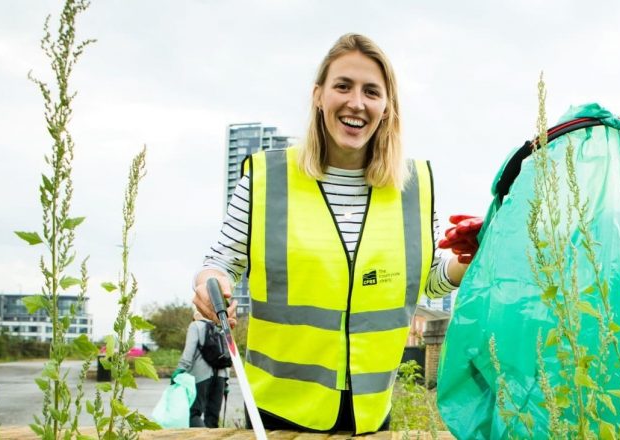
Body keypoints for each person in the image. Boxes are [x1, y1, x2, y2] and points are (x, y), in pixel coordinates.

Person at [190, 33, 478, 434]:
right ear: (318, 95)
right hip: (278, 417)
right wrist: (211, 284)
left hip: (371, 417)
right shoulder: (267, 179)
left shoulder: (415, 187)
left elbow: (428, 277)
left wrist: (466, 262)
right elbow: (218, 264)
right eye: (342, 86)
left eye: (371, 91)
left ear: (387, 107)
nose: (356, 102)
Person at [174, 310, 229, 428]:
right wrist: (226, 381)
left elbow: (189, 352)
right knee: (212, 417)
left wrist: (179, 370)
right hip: (220, 377)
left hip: (201, 376)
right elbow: (226, 355)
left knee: (193, 414)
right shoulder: (221, 327)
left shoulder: (195, 326)